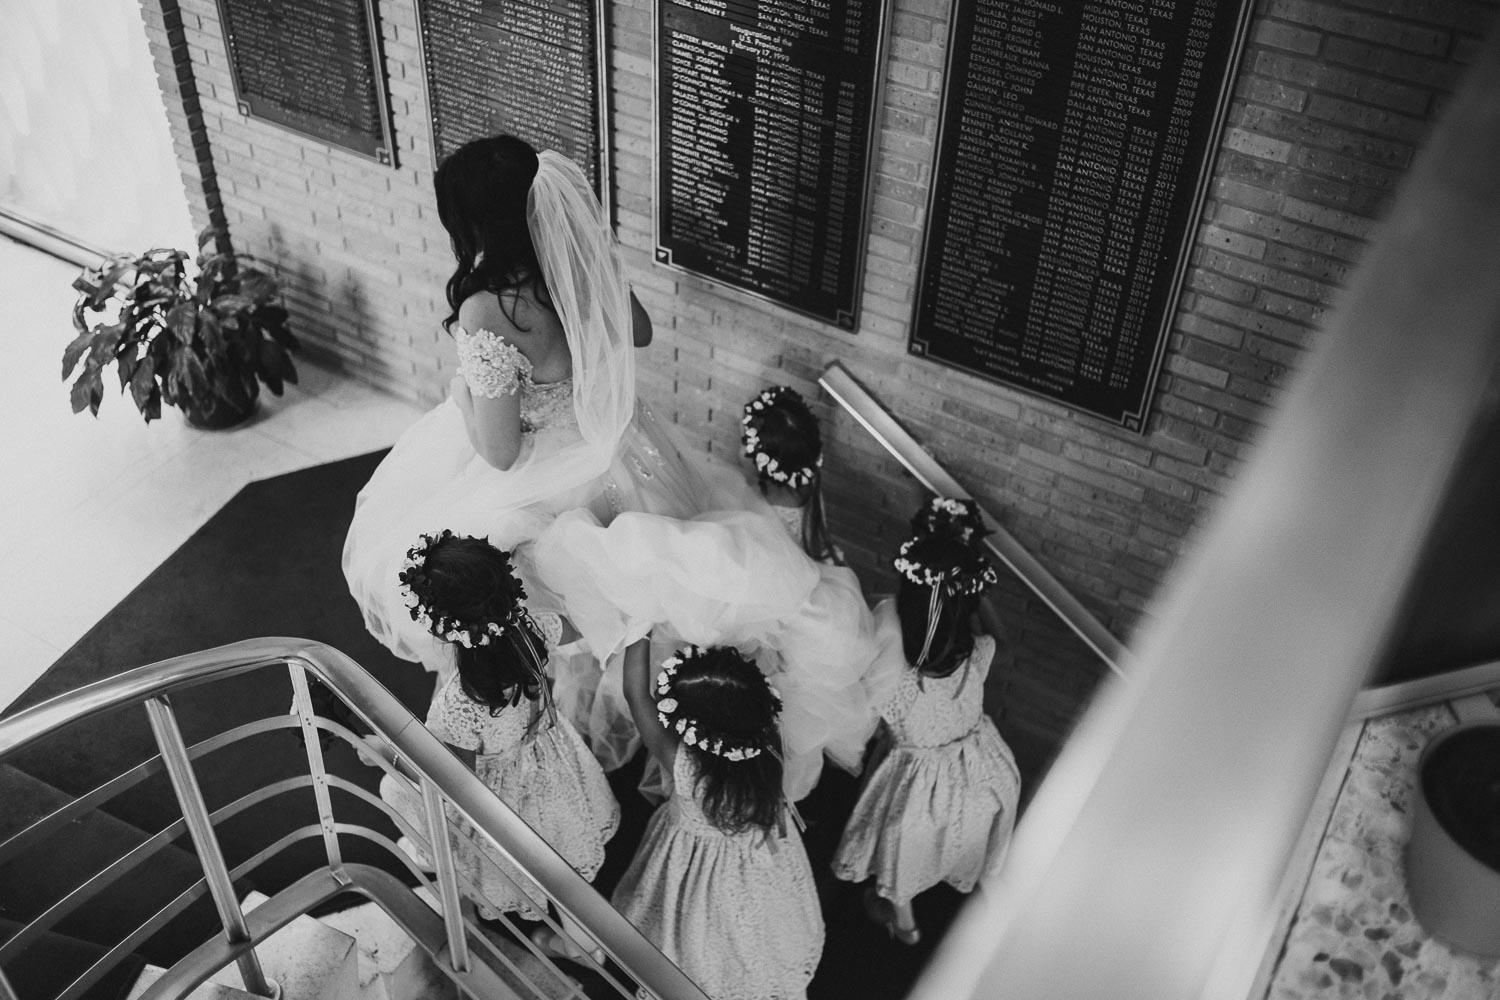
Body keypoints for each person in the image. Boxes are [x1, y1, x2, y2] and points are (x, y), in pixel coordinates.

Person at [342, 135, 879, 799]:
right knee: (638, 605)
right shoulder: (576, 264)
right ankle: (671, 729)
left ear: (475, 223)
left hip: (547, 481)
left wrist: (461, 393)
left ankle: (531, 727)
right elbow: (641, 333)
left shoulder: (487, 309)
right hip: (625, 457)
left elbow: (502, 451)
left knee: (523, 597)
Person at [369, 529, 619, 961]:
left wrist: (383, 750)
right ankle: (583, 937)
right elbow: (580, 622)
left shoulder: (458, 706)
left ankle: (571, 944)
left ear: (445, 630)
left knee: (396, 791)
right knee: (566, 854)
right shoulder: (534, 630)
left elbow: (453, 776)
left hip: (510, 799)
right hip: (553, 760)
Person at [830, 497, 1022, 944]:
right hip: (984, 774)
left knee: (901, 841)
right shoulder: (979, 653)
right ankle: (992, 891)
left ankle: (905, 923)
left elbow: (867, 713)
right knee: (973, 830)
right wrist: (978, 588)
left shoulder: (895, 684)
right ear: (967, 607)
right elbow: (1003, 637)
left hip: (921, 790)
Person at [611, 641, 824, 1000]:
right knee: (755, 939)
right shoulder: (767, 749)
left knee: (695, 942)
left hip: (693, 867)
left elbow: (636, 693)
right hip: (761, 863)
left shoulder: (681, 762)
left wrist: (639, 627)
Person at [740, 385, 842, 564]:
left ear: (762, 462)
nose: (741, 449)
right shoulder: (809, 482)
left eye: (744, 443)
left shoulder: (759, 511)